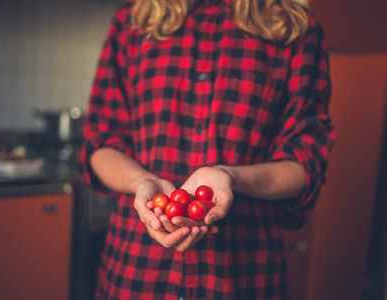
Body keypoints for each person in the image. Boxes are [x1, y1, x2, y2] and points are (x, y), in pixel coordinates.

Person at [78, 0, 335, 298]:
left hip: (247, 274)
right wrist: (140, 181)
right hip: (136, 270)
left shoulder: (295, 27)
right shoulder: (132, 21)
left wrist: (231, 176)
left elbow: (307, 164)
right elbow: (101, 143)